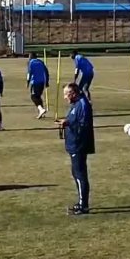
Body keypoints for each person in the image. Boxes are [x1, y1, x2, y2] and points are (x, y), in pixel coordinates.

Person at [57, 82, 94, 215]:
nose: (65, 97)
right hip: (74, 144)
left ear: (73, 94)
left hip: (79, 144)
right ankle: (81, 202)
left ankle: (83, 205)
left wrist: (68, 123)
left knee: (80, 175)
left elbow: (84, 125)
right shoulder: (76, 104)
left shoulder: (82, 104)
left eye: (66, 94)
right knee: (76, 174)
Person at [26, 52, 50, 119]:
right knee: (38, 96)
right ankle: (41, 113)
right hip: (42, 82)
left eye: (29, 56)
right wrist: (47, 81)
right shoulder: (41, 62)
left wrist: (27, 82)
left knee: (33, 97)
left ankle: (41, 109)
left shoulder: (30, 63)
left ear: (31, 56)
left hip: (35, 82)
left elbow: (29, 73)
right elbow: (46, 71)